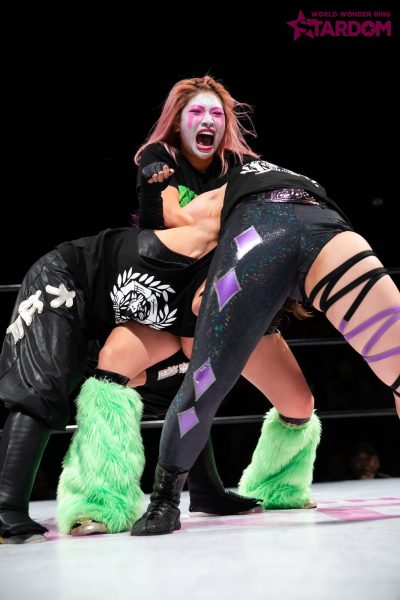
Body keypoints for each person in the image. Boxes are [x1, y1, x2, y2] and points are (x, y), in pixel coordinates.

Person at [131, 158, 400, 536]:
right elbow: (162, 225)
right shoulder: (224, 193)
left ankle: (173, 500)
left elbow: (165, 224)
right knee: (206, 381)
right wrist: (150, 188)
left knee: (214, 383)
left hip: (300, 230)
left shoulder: (232, 183)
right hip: (284, 232)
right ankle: (164, 498)